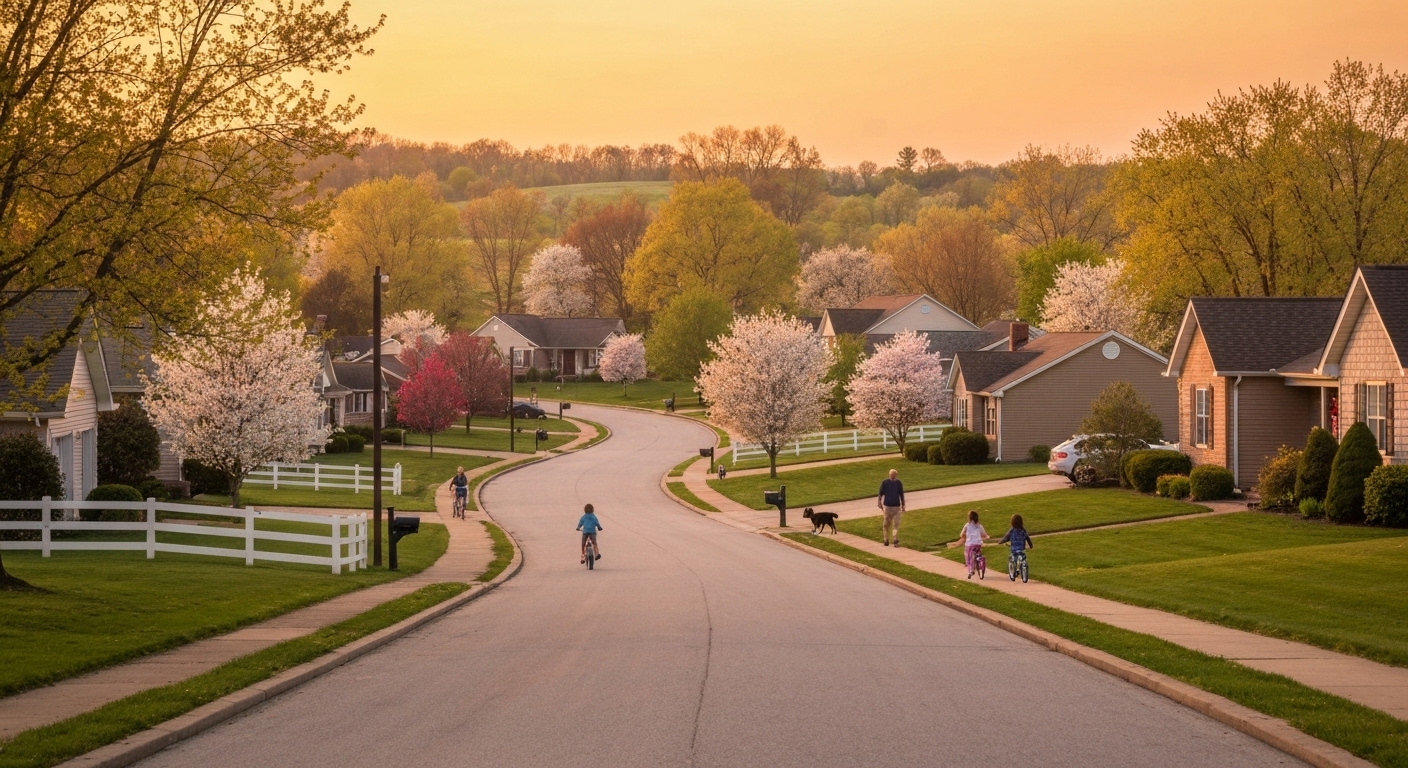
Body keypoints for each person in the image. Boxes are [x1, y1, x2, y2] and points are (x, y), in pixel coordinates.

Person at [877, 469, 905, 547]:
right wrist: (903, 505)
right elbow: (901, 495)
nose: (892, 476)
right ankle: (894, 539)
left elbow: (880, 494)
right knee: (895, 525)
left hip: (888, 507)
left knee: (886, 525)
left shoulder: (885, 483)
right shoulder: (898, 483)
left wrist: (879, 502)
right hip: (894, 507)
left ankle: (886, 539)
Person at [959, 510, 989, 578]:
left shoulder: (967, 525)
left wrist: (964, 536)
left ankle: (971, 570)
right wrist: (987, 537)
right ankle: (980, 562)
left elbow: (961, 535)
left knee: (969, 557)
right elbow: (985, 534)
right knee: (978, 553)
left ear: (969, 518)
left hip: (969, 544)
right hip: (978, 544)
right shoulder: (979, 526)